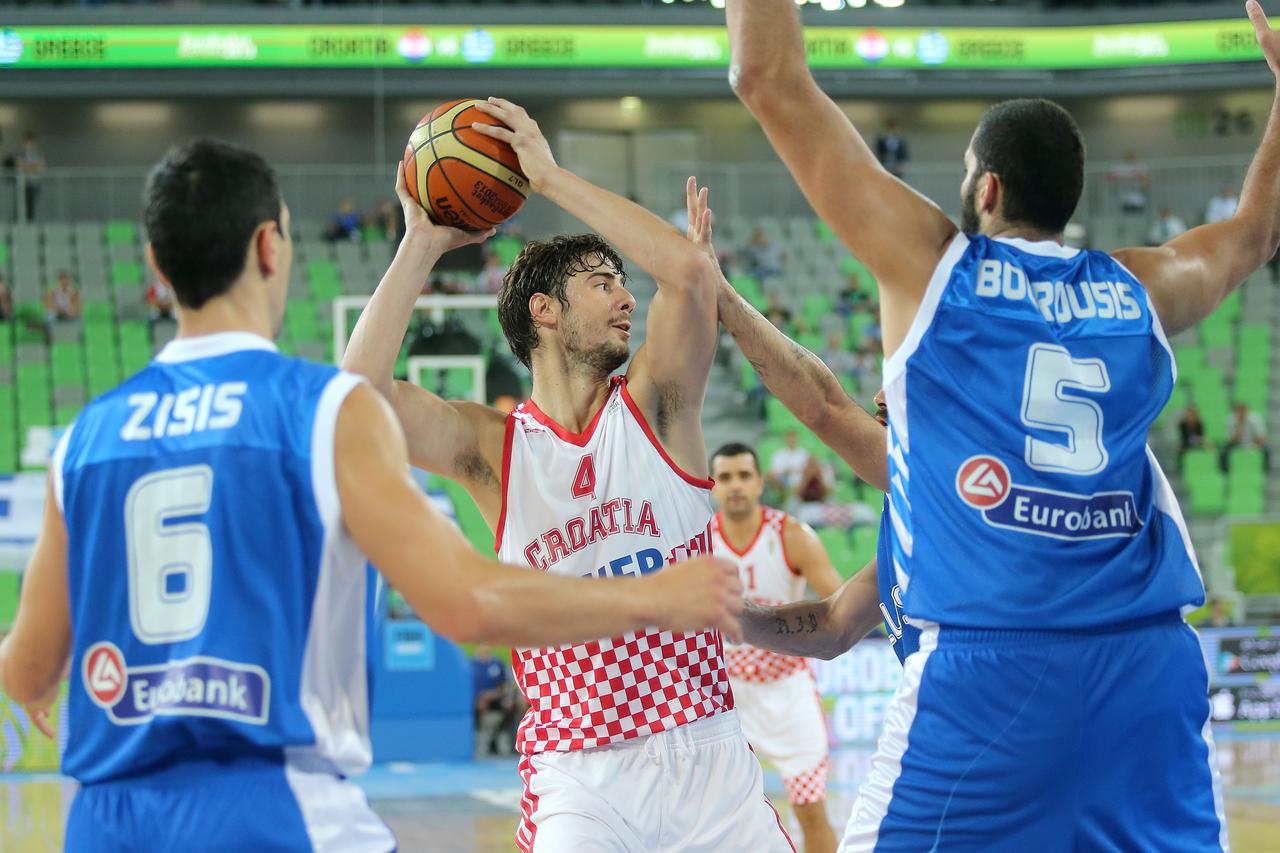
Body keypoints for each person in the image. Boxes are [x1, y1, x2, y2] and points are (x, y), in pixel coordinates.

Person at [0, 138, 744, 852]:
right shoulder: (328, 412)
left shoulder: (84, 439)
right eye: (601, 282)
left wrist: (429, 237)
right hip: (303, 797)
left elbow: (28, 670)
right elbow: (463, 596)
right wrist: (659, 596)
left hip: (110, 815)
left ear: (156, 263)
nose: (622, 298)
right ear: (270, 248)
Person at [726, 0, 1280, 848]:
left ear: (985, 188)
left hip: (993, 666)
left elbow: (765, 77)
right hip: (1149, 665)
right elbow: (1254, 233)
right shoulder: (1145, 284)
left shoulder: (937, 265)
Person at [342, 97, 794, 853]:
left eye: (622, 280)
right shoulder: (494, 447)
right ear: (544, 310)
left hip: (707, 754)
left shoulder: (657, 405)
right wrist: (421, 242)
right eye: (601, 282)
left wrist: (547, 176)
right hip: (579, 773)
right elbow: (355, 403)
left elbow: (688, 272)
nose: (626, 297)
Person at [710, 442, 843, 853]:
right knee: (717, 816)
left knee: (810, 810)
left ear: (759, 482)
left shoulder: (791, 536)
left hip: (788, 688)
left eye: (744, 475)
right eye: (726, 477)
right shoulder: (697, 540)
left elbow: (839, 601)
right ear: (712, 486)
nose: (735, 486)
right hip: (727, 694)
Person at [472, 645, 520, 756]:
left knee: (508, 708)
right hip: (478, 701)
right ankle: (482, 743)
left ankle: (503, 743)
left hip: (496, 699)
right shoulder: (472, 666)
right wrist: (480, 699)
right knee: (479, 713)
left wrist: (493, 695)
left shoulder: (497, 665)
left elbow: (504, 686)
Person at [1223, 400, 1269, 470]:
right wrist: (1240, 426)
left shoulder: (1255, 419)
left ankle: (1264, 470)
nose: (1242, 413)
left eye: (1244, 411)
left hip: (1254, 443)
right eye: (1239, 411)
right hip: (1237, 444)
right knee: (1224, 451)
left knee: (1267, 450)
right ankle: (1226, 471)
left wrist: (1255, 445)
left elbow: (1262, 437)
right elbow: (1231, 441)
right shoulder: (1231, 419)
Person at [16, 131, 43, 221]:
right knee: (23, 206)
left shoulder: (38, 154)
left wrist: (27, 166)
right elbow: (20, 167)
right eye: (28, 143)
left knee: (32, 206)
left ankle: (30, 223)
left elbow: (40, 168)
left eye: (32, 143)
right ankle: (21, 223)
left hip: (34, 184)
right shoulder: (21, 154)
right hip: (25, 184)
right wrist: (33, 166)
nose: (30, 145)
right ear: (25, 143)